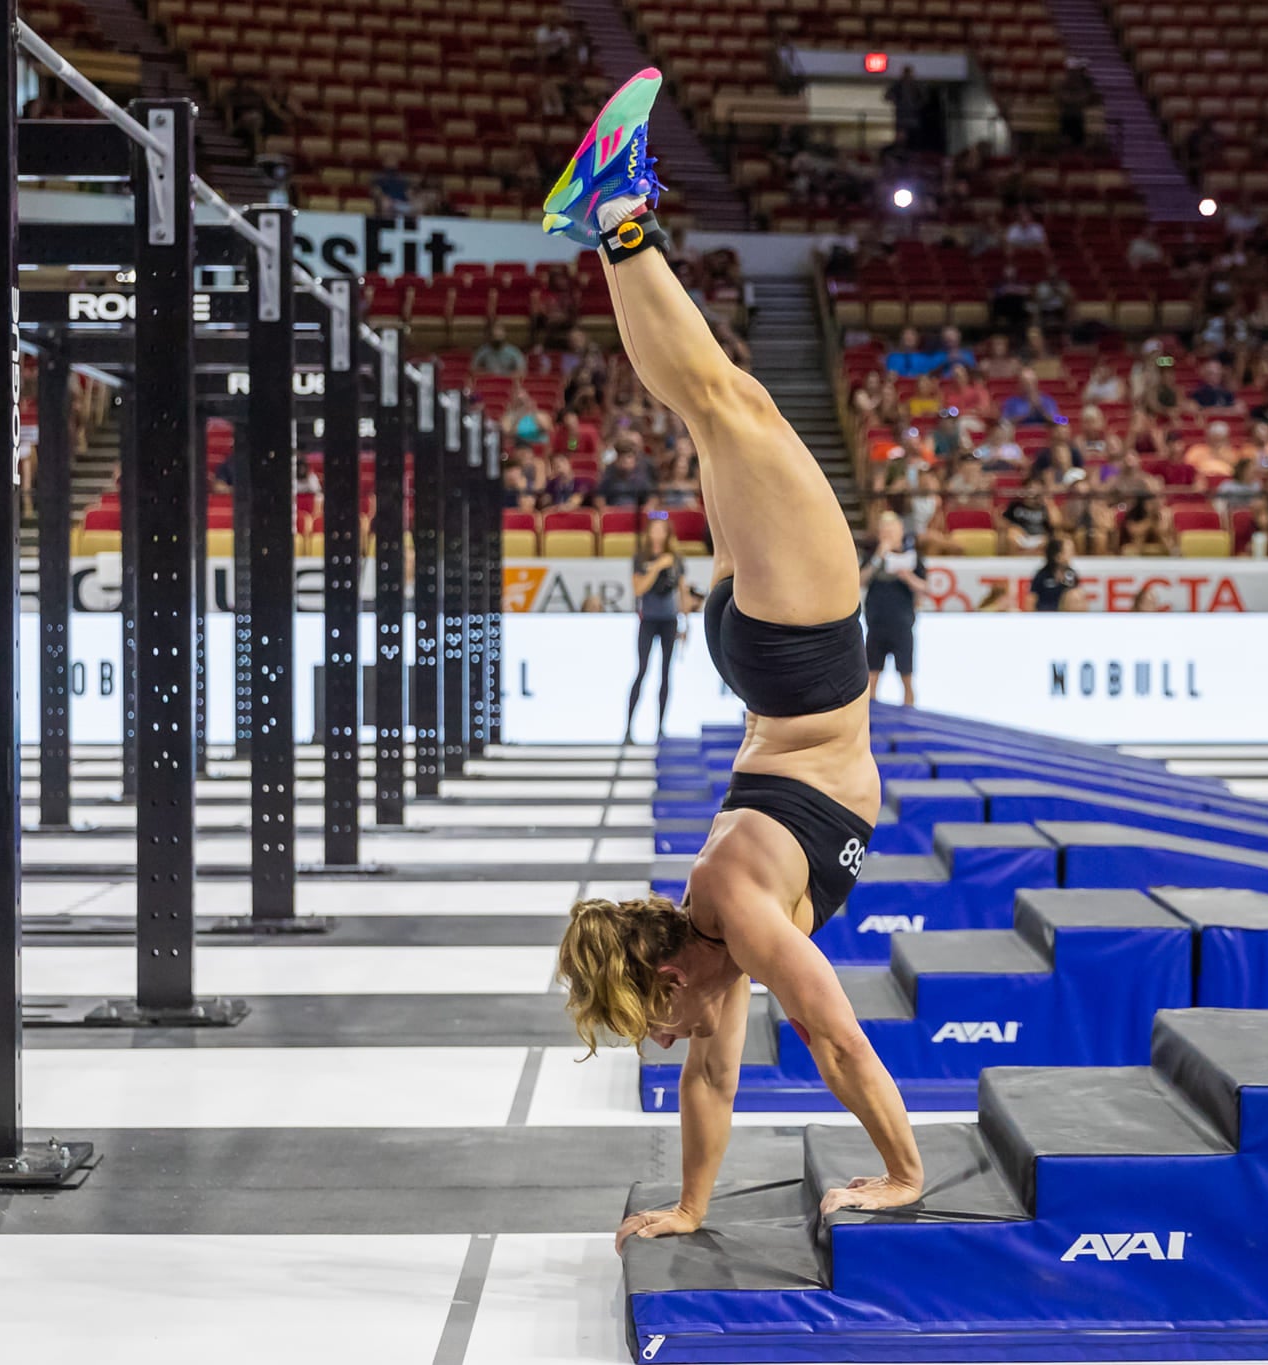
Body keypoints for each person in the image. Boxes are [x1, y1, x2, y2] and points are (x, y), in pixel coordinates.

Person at [543, 71, 926, 1242]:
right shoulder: (718, 941)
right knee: (715, 410)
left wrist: (901, 1172)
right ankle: (610, 224)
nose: (666, 1043)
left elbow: (834, 1039)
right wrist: (688, 1207)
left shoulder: (734, 915)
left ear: (667, 975)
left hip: (797, 664)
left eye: (651, 1027)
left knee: (728, 408)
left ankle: (617, 219)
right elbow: (717, 1082)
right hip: (764, 662)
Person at [626, 514, 690, 741]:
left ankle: (661, 728)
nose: (658, 534)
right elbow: (638, 589)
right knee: (642, 670)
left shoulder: (676, 559)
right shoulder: (641, 558)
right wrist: (656, 567)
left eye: (662, 529)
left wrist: (686, 621)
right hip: (649, 620)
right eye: (655, 529)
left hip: (669, 620)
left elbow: (682, 591)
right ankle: (628, 728)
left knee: (666, 673)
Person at [860, 510, 927, 705]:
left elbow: (924, 587)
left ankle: (909, 713)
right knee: (872, 676)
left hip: (902, 624)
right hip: (876, 624)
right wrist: (878, 557)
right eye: (884, 529)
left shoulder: (912, 557)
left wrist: (908, 577)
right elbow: (860, 580)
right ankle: (873, 715)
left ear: (901, 531)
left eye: (892, 529)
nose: (888, 533)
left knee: (906, 677)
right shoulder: (871, 555)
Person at [1028, 534, 1078, 610]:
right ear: (1057, 555)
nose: (1072, 555)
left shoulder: (1071, 574)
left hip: (1066, 615)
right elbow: (1031, 599)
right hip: (1044, 614)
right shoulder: (1042, 575)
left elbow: (1077, 597)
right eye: (1068, 552)